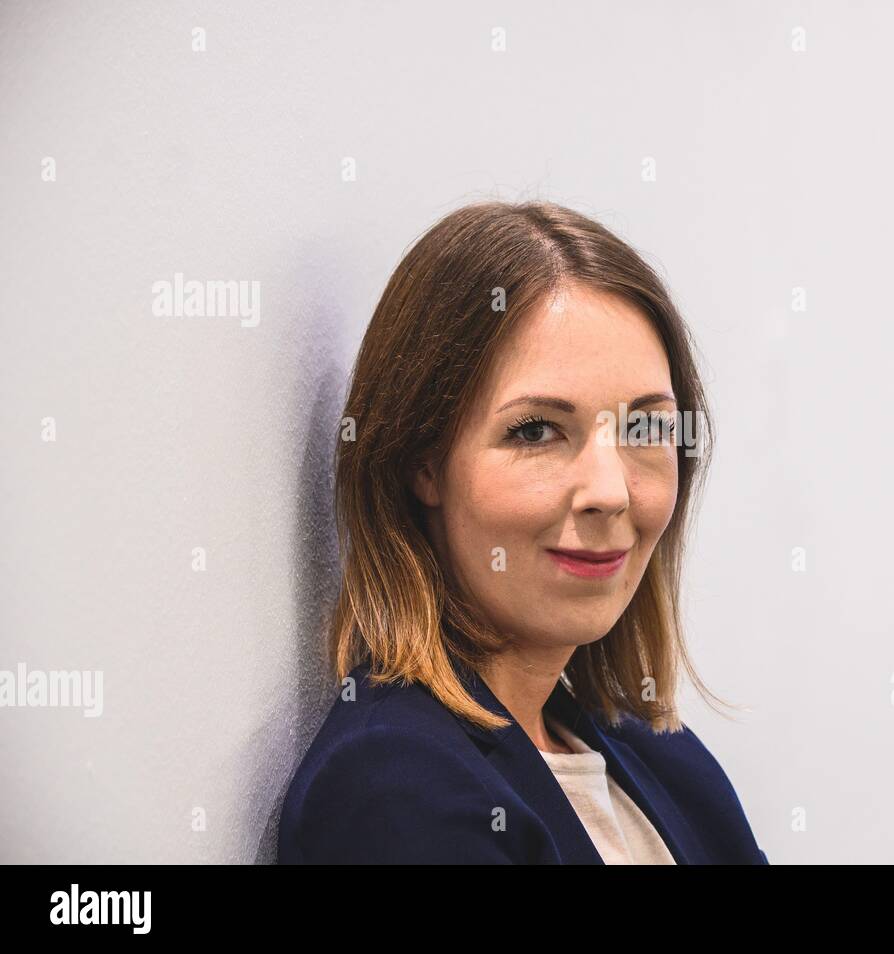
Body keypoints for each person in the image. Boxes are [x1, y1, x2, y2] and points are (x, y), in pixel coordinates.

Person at [277, 200, 768, 864]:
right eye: (535, 430)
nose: (609, 492)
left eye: (646, 429)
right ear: (423, 463)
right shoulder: (393, 787)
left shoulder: (660, 751)